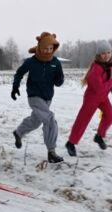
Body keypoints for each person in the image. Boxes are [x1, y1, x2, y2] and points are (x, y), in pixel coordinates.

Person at [11, 32, 65, 163]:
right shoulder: (31, 62)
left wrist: (59, 79)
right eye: (45, 48)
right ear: (40, 47)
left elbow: (59, 80)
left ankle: (19, 132)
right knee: (50, 120)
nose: (47, 51)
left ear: (54, 48)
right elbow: (19, 73)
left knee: (36, 121)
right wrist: (15, 87)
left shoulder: (55, 62)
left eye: (50, 49)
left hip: (47, 98)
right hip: (34, 96)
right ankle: (51, 152)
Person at [65, 40, 112, 156]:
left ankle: (99, 136)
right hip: (92, 98)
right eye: (103, 53)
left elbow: (107, 81)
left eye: (108, 52)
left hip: (103, 97)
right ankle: (71, 143)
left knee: (111, 116)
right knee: (83, 121)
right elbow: (99, 88)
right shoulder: (95, 69)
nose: (106, 55)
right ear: (98, 54)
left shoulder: (110, 65)